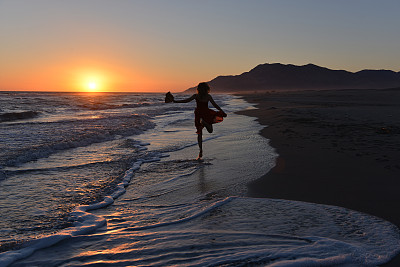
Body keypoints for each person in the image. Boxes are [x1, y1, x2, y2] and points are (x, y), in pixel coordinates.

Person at [168, 82, 227, 159]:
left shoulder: (196, 96)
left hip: (198, 114)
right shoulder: (208, 96)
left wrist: (175, 101)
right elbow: (215, 105)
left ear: (198, 89)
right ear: (206, 89)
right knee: (210, 130)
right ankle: (204, 122)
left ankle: (200, 150)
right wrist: (222, 111)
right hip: (206, 113)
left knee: (199, 133)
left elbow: (186, 101)